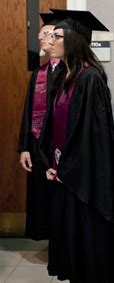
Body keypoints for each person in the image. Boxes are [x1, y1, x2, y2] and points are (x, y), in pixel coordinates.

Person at [39, 9, 114, 282]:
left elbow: (94, 139)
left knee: (89, 252)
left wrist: (67, 168)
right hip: (66, 177)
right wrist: (51, 162)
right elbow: (54, 128)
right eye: (50, 36)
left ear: (74, 40)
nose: (50, 41)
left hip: (87, 184)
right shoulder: (65, 76)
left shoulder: (90, 79)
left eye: (57, 36)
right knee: (72, 247)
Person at [17, 13, 62, 240]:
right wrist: (25, 147)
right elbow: (28, 112)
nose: (41, 38)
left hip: (60, 148)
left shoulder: (73, 73)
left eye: (46, 33)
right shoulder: (39, 74)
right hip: (37, 146)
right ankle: (49, 239)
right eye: (40, 34)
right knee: (41, 197)